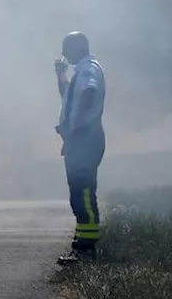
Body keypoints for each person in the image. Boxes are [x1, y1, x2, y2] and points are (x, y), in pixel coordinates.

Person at [53, 31, 106, 264]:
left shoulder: (88, 70)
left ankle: (86, 250)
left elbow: (90, 91)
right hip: (80, 138)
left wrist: (76, 129)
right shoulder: (78, 72)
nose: (64, 53)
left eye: (67, 48)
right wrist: (61, 74)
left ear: (78, 47)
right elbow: (68, 96)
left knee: (83, 194)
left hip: (86, 137)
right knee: (78, 193)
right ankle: (82, 246)